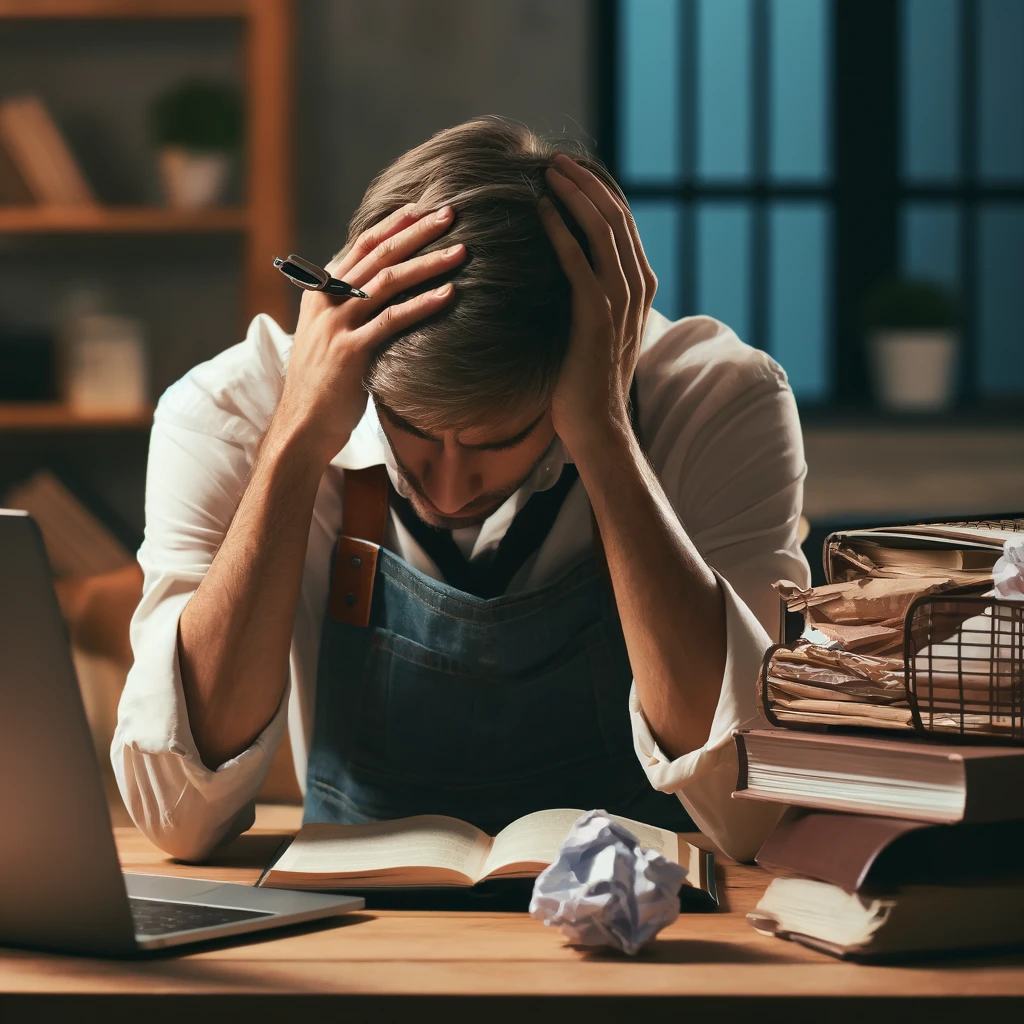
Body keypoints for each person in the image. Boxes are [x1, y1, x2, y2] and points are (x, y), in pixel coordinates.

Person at [112, 116, 810, 864]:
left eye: (496, 440)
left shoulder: (716, 402)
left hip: (647, 931)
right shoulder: (225, 414)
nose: (445, 488)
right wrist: (294, 444)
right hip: (352, 936)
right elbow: (177, 818)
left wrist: (605, 434)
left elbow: (751, 811)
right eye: (412, 428)